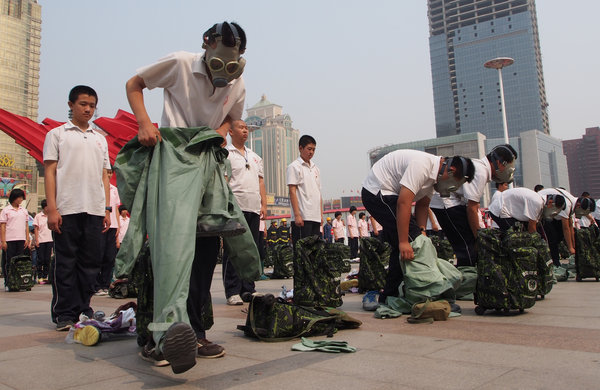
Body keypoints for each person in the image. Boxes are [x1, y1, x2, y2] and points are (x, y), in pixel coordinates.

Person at [124, 22, 251, 372]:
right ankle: (156, 338)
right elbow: (134, 84)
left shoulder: (238, 81)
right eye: (221, 60)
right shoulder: (180, 63)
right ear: (206, 45)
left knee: (206, 252)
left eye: (234, 61)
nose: (225, 70)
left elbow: (231, 117)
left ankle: (194, 332)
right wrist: (145, 123)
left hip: (207, 162)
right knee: (170, 253)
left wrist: (216, 133)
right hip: (173, 157)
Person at [361, 149, 475, 303]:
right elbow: (404, 202)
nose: (451, 189)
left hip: (389, 194)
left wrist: (421, 231)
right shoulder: (422, 166)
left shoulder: (434, 178)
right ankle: (427, 293)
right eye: (454, 185)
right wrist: (405, 241)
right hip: (377, 191)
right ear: (451, 170)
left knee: (411, 244)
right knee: (411, 243)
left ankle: (389, 295)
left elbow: (422, 206)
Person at [43, 85, 111, 330]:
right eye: (83, 104)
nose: (88, 109)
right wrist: (52, 208)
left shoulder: (99, 139)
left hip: (93, 209)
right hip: (67, 207)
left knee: (90, 262)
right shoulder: (57, 135)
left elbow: (105, 175)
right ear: (71, 105)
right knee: (66, 262)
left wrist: (106, 208)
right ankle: (64, 313)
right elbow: (50, 172)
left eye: (92, 105)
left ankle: (84, 308)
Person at [429, 144, 517, 267]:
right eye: (509, 167)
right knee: (467, 247)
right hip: (446, 202)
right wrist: (478, 237)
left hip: (451, 202)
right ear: (500, 163)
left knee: (468, 246)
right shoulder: (480, 172)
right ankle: (466, 281)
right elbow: (472, 208)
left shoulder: (479, 168)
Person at [222, 119, 266, 306]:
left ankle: (248, 288)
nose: (245, 131)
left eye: (246, 128)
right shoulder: (226, 155)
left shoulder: (255, 157)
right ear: (231, 132)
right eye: (241, 128)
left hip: (253, 207)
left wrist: (264, 204)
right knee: (234, 249)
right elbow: (224, 181)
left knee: (251, 249)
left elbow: (261, 181)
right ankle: (232, 291)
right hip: (236, 208)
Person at [538, 188, 595, 266]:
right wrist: (570, 248)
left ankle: (554, 258)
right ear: (579, 205)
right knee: (552, 238)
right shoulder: (567, 204)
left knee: (559, 236)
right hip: (542, 210)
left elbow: (570, 225)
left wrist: (573, 245)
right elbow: (566, 228)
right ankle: (555, 262)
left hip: (552, 214)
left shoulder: (572, 203)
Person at [287, 135, 323, 248]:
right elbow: (292, 191)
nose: (311, 152)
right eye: (309, 149)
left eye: (313, 149)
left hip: (315, 217)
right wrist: (297, 215)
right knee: (302, 252)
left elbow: (319, 193)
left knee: (315, 252)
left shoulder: (316, 168)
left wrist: (321, 215)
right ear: (300, 148)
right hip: (303, 217)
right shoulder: (294, 166)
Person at [488, 187, 565, 233]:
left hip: (506, 211)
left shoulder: (540, 201)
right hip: (500, 210)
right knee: (515, 236)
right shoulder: (537, 202)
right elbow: (532, 228)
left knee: (519, 234)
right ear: (550, 202)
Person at [96, 168, 120, 296]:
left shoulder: (114, 189)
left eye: (111, 172)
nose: (109, 175)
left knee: (110, 257)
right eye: (107, 172)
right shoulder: (98, 187)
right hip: (101, 224)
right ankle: (96, 285)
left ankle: (105, 284)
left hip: (113, 226)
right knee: (98, 255)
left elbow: (116, 209)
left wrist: (118, 226)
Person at [0, 188, 30, 290]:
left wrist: (27, 239)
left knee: (20, 262)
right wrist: (3, 241)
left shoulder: (24, 211)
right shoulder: (6, 210)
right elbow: (3, 226)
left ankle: (19, 282)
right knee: (9, 261)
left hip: (21, 239)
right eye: (19, 197)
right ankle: (9, 282)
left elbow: (26, 225)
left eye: (22, 197)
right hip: (9, 239)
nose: (21, 199)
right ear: (14, 198)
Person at [33, 199, 53, 284]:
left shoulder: (51, 215)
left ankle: (45, 276)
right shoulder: (38, 216)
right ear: (45, 207)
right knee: (40, 259)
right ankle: (39, 276)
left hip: (50, 240)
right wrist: (36, 240)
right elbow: (36, 229)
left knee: (47, 259)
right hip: (41, 240)